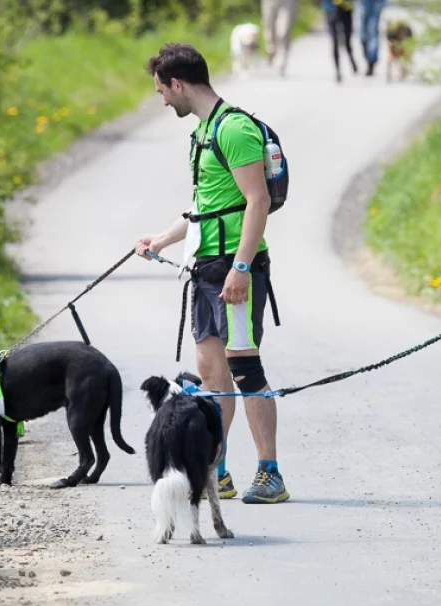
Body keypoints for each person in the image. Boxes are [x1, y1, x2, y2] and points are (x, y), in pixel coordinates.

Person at [136, 43, 290, 504]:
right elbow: (206, 207)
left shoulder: (235, 129)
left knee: (245, 369)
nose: (163, 99)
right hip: (204, 270)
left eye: (163, 90)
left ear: (178, 84)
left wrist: (241, 267)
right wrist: (162, 239)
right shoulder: (202, 133)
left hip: (235, 268)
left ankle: (270, 473)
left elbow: (257, 201)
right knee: (210, 373)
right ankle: (215, 469)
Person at [320, 0, 359, 82]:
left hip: (346, 9)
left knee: (347, 41)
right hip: (330, 9)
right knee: (334, 42)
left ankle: (351, 59)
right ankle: (338, 71)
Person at [261, 0, 299, 77]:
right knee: (270, 28)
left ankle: (281, 62)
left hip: (287, 2)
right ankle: (271, 49)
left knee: (283, 31)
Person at [358, 0, 385, 76]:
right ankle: (368, 56)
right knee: (362, 34)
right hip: (364, 3)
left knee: (372, 32)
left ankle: (371, 62)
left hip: (375, 3)